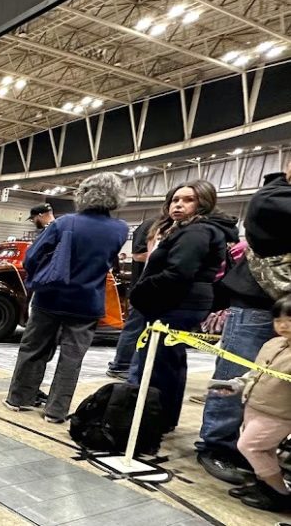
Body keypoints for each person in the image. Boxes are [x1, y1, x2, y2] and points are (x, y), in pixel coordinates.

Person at [4, 173, 128, 424]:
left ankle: (19, 399)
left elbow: (31, 257)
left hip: (50, 298)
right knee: (72, 359)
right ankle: (56, 411)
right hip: (88, 302)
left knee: (33, 349)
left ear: (83, 195)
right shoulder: (121, 229)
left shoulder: (64, 223)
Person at [197, 157, 291, 484]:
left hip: (277, 307)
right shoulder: (272, 197)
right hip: (258, 307)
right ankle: (216, 446)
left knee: (274, 386)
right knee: (234, 376)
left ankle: (258, 448)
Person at [128, 180, 239, 433]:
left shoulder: (196, 232)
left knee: (159, 365)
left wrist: (140, 292)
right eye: (175, 199)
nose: (178, 205)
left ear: (204, 203)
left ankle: (152, 422)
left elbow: (178, 273)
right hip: (183, 302)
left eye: (188, 200)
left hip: (176, 304)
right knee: (171, 362)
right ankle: (163, 419)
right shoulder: (195, 230)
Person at [208, 294, 291, 512]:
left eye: (290, 320)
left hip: (280, 414)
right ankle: (264, 486)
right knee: (265, 450)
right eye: (278, 320)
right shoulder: (272, 344)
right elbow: (256, 372)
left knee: (250, 446)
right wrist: (238, 384)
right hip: (254, 406)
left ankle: (280, 493)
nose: (283, 325)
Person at [106, 215, 160, 379]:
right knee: (135, 328)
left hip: (159, 290)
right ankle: (120, 365)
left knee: (147, 331)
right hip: (143, 289)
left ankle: (136, 366)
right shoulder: (151, 224)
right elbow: (138, 254)